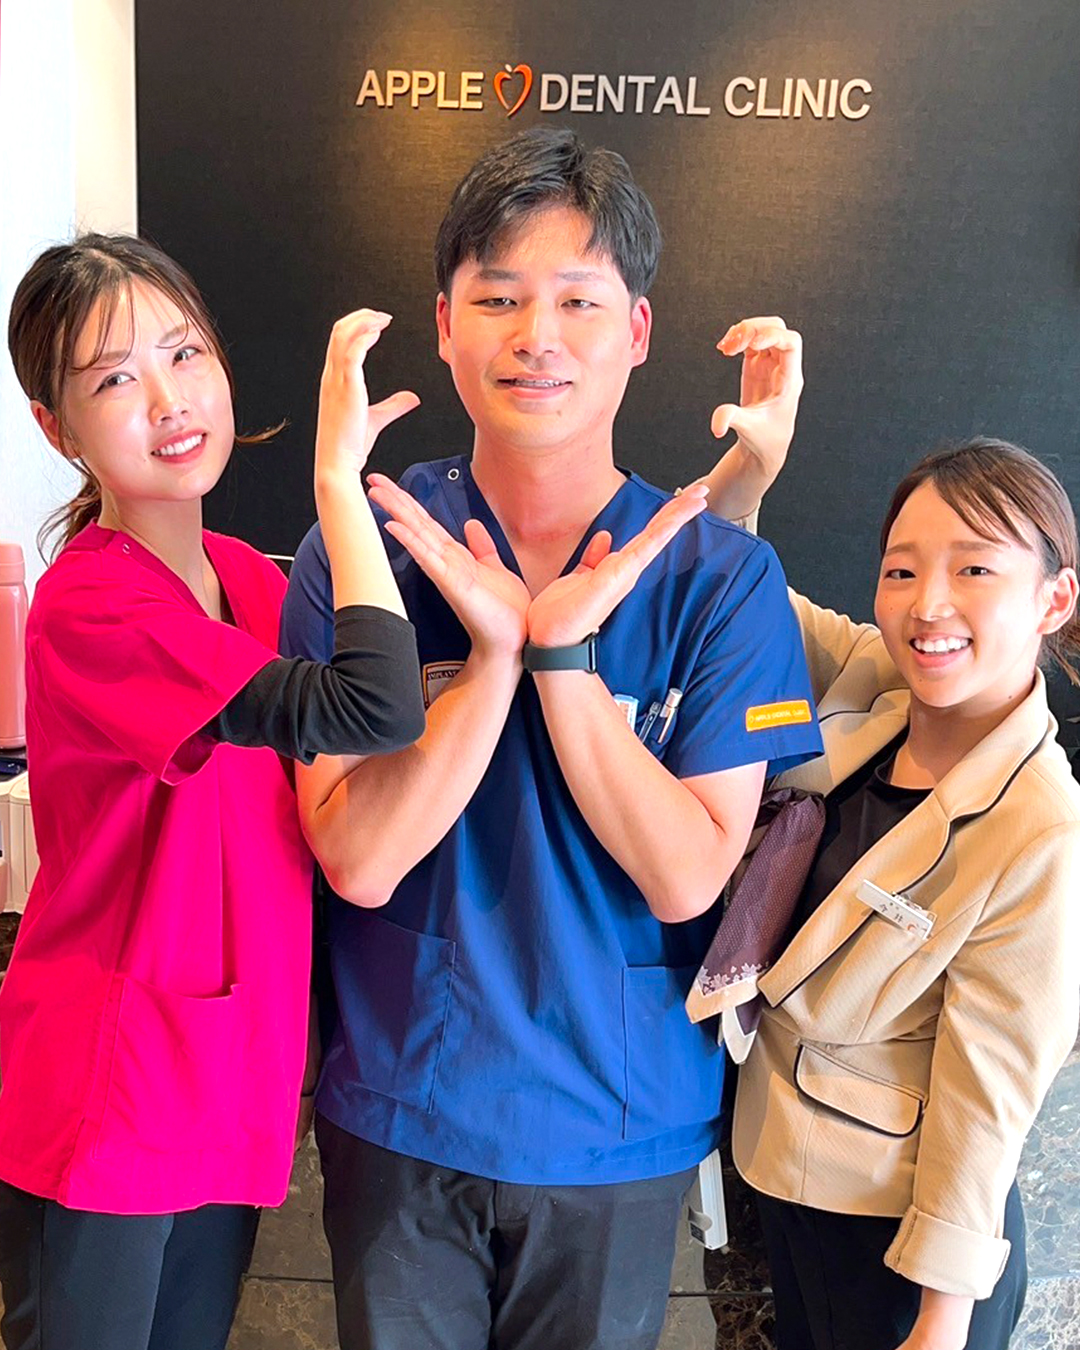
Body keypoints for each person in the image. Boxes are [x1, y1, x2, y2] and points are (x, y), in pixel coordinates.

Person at [281, 127, 822, 1350]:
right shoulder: (361, 550)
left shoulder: (721, 578)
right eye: (499, 297)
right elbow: (356, 856)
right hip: (405, 1108)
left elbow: (689, 875)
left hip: (617, 1125)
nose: (538, 335)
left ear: (637, 330)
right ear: (444, 324)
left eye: (580, 299)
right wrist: (490, 665)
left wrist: (564, 662)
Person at [0, 234, 428, 1350]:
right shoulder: (94, 606)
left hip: (230, 1070)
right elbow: (375, 707)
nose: (168, 400)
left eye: (184, 354)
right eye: (114, 379)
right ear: (56, 428)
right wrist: (337, 488)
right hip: (111, 1088)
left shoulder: (244, 577)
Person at [700, 403, 1080, 1350]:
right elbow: (739, 592)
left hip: (901, 1242)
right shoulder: (879, 682)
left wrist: (941, 1320)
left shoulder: (1038, 822)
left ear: (1053, 599)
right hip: (788, 1182)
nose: (928, 605)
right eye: (902, 570)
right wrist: (746, 476)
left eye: (975, 569)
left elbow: (988, 1089)